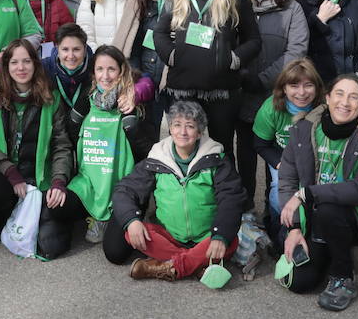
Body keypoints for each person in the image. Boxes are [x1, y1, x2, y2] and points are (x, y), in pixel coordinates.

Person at [277, 74, 358, 311]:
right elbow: (287, 179)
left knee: (328, 208)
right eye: (339, 94)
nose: (345, 102)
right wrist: (292, 228)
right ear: (327, 98)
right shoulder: (304, 129)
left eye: (353, 97)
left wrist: (307, 194)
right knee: (301, 283)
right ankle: (324, 254)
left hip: (356, 216)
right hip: (316, 215)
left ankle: (343, 277)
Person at [153, 0, 261, 163]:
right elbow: (160, 32)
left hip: (222, 90)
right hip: (183, 88)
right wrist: (171, 56)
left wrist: (234, 59)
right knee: (185, 151)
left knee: (222, 152)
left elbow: (254, 39)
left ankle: (224, 198)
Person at [109, 100, 244, 281]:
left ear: (199, 132)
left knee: (230, 239)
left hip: (206, 236)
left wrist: (220, 235)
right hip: (169, 236)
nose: (182, 132)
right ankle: (196, 264)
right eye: (177, 125)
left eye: (190, 126)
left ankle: (167, 267)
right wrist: (132, 221)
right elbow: (124, 190)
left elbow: (231, 198)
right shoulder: (157, 159)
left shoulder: (216, 161)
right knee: (131, 232)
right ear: (170, 129)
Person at [0, 39, 78, 258]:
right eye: (14, 63)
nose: (21, 68)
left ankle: (33, 215)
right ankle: (3, 216)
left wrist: (59, 181)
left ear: (35, 64)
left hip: (40, 175)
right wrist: (9, 171)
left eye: (26, 61)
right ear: (6, 67)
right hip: (6, 174)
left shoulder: (51, 98)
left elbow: (61, 146)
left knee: (51, 246)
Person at [235, 0, 308, 208]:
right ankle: (245, 210)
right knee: (244, 156)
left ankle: (273, 212)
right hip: (243, 94)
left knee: (275, 159)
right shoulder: (239, 2)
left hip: (277, 97)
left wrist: (264, 79)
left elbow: (296, 50)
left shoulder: (293, 9)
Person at [63, 45, 140, 249]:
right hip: (88, 178)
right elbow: (71, 132)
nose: (105, 76)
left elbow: (143, 150)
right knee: (57, 207)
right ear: (94, 72)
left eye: (111, 69)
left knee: (115, 251)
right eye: (100, 69)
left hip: (120, 181)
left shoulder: (129, 101)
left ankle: (110, 217)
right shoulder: (86, 99)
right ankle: (90, 215)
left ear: (121, 70)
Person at [252, 58, 325, 248]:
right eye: (294, 85)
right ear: (284, 88)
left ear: (317, 87)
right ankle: (280, 230)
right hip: (282, 156)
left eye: (308, 85)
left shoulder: (325, 106)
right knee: (278, 190)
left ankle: (316, 232)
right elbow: (260, 144)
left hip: (317, 157)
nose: (301, 93)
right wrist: (280, 164)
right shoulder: (271, 109)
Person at [120, 0, 179, 148]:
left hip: (175, 79)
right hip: (147, 79)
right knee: (147, 137)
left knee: (180, 135)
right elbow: (131, 47)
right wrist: (139, 78)